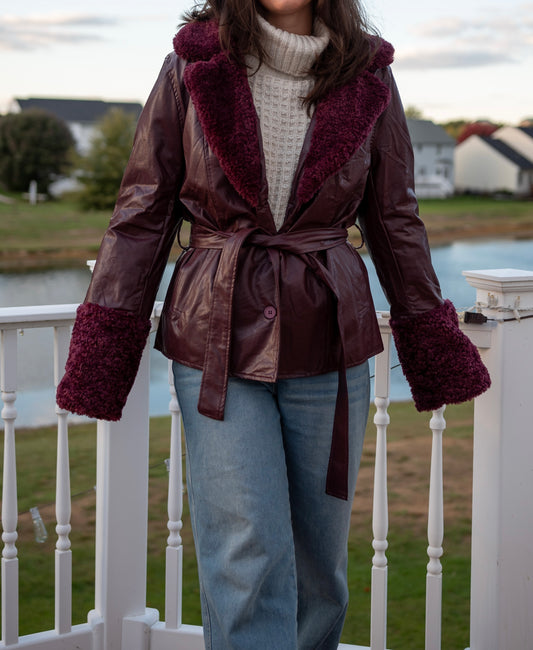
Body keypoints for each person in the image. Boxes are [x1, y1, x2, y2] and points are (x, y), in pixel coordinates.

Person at [57, 0, 491, 647]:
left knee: (320, 568)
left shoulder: (369, 73)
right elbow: (143, 210)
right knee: (244, 556)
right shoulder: (191, 62)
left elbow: (394, 216)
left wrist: (428, 332)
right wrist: (102, 354)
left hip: (330, 336)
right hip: (214, 340)